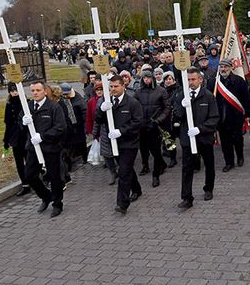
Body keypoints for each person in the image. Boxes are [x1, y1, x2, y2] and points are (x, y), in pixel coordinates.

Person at [95, 75, 143, 214]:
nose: (113, 89)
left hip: (129, 143)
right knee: (126, 169)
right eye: (111, 86)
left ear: (123, 86)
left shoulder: (132, 103)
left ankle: (122, 203)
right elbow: (99, 120)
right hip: (113, 143)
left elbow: (137, 122)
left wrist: (121, 131)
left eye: (116, 86)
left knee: (123, 172)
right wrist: (101, 109)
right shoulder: (106, 101)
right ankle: (137, 189)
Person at [173, 67, 220, 209]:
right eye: (188, 80)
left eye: (193, 79)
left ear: (200, 80)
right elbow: (176, 116)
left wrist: (200, 129)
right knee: (187, 168)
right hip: (187, 139)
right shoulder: (181, 95)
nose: (190, 82)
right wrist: (182, 106)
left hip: (204, 138)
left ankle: (208, 188)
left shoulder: (208, 96)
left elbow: (214, 118)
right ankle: (187, 197)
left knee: (209, 164)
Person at [21, 81, 67, 217]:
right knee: (29, 175)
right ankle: (46, 196)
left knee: (54, 177)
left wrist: (43, 136)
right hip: (33, 148)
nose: (35, 93)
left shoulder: (54, 107)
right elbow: (20, 124)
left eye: (38, 90)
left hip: (50, 147)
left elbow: (60, 127)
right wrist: (23, 122)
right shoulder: (28, 106)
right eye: (33, 90)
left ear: (45, 91)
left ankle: (57, 204)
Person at [134, 69, 171, 187]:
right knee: (143, 148)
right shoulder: (138, 92)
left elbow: (167, 107)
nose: (146, 80)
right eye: (144, 78)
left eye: (149, 78)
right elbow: (134, 106)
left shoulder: (161, 91)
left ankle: (156, 175)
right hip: (141, 125)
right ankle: (146, 166)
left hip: (155, 124)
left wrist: (158, 120)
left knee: (155, 150)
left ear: (152, 78)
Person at [215, 59, 250, 172]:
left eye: (226, 67)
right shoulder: (215, 82)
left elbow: (246, 98)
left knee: (237, 139)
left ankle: (240, 157)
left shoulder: (239, 80)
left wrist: (248, 113)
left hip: (236, 116)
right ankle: (229, 162)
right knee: (225, 142)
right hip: (221, 118)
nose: (223, 69)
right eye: (221, 67)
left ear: (231, 68)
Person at [3, 82, 30, 196]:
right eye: (12, 90)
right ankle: (25, 184)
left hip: (26, 135)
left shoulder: (26, 102)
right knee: (19, 162)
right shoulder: (9, 104)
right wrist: (6, 139)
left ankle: (35, 178)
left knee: (29, 160)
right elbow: (8, 123)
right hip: (15, 136)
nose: (14, 92)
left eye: (16, 90)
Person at [60, 82, 88, 165]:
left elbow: (84, 111)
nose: (65, 96)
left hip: (78, 125)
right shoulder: (62, 99)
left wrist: (85, 125)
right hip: (68, 125)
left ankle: (84, 158)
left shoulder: (77, 98)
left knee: (81, 142)